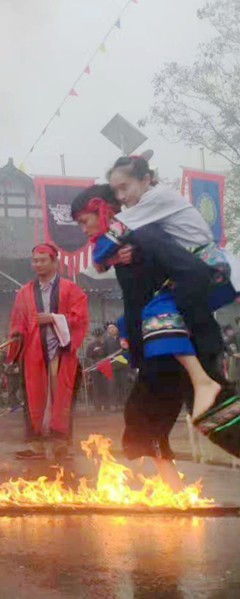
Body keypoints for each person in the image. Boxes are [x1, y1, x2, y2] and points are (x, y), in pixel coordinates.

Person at [72, 183, 235, 489]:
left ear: (104, 209)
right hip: (159, 347)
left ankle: (174, 486)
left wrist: (143, 254)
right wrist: (131, 335)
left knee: (214, 412)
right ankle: (173, 489)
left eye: (84, 220)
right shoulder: (120, 249)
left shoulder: (148, 234)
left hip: (184, 339)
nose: (83, 230)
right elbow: (136, 300)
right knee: (147, 416)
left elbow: (192, 272)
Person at [6, 243, 89, 460]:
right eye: (35, 260)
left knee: (63, 398)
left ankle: (62, 444)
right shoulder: (24, 293)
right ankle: (36, 445)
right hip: (34, 354)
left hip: (61, 354)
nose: (38, 264)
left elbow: (80, 318)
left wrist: (53, 318)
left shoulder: (71, 289)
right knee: (34, 398)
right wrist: (16, 337)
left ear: (55, 262)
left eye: (43, 260)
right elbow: (18, 321)